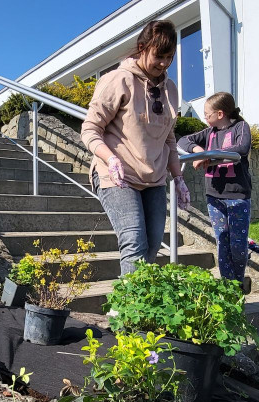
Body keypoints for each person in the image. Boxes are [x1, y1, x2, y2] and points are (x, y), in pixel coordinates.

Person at [81, 20, 189, 276]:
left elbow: (169, 139)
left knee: (152, 247)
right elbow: (90, 129)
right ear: (142, 48)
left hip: (154, 178)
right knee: (134, 242)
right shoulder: (117, 80)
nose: (164, 63)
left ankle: (133, 304)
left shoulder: (169, 90)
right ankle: (128, 315)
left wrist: (179, 177)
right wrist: (110, 159)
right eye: (158, 56)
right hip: (117, 174)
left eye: (169, 57)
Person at [176, 92, 253, 293]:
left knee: (237, 245)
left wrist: (209, 157)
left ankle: (238, 283)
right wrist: (198, 152)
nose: (204, 118)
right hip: (214, 196)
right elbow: (182, 141)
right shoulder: (209, 132)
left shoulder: (240, 127)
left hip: (237, 196)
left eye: (207, 114)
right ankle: (228, 289)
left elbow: (241, 149)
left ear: (220, 113)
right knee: (222, 242)